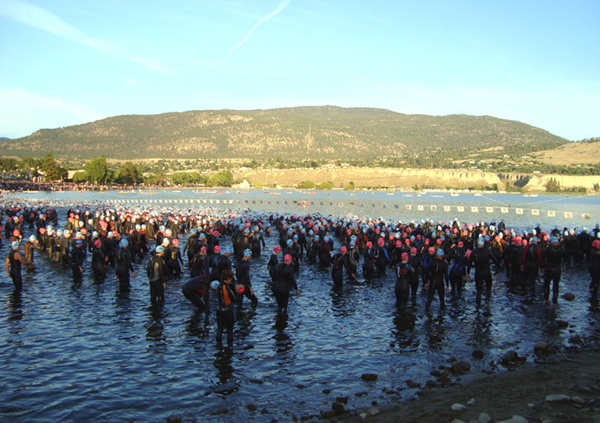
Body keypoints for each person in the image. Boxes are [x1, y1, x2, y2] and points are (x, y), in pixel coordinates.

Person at [468, 239, 498, 308]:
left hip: (478, 272)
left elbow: (469, 263)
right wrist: (494, 264)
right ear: (483, 244)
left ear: (477, 244)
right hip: (487, 272)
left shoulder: (474, 252)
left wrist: (468, 273)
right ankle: (487, 302)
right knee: (488, 288)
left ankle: (478, 305)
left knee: (479, 290)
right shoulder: (487, 251)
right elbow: (495, 260)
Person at [216, 269, 239, 347]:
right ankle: (230, 347)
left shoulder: (219, 286)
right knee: (230, 330)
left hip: (219, 309)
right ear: (229, 278)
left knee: (220, 329)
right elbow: (234, 299)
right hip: (227, 310)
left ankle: (218, 346)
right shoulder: (227, 288)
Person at [541, 237, 566, 307]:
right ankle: (554, 303)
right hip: (557, 269)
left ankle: (546, 300)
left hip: (548, 269)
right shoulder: (561, 249)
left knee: (546, 284)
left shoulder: (548, 249)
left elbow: (542, 257)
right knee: (556, 286)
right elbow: (566, 257)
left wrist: (542, 267)